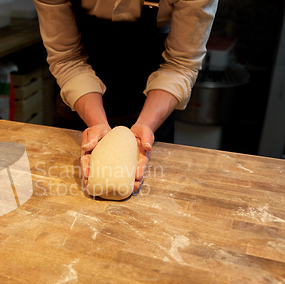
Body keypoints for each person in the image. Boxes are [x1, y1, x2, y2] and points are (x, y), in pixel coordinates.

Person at [33, 0, 218, 193]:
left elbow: (181, 63)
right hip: (79, 94)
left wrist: (145, 126)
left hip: (152, 97)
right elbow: (67, 58)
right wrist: (97, 124)